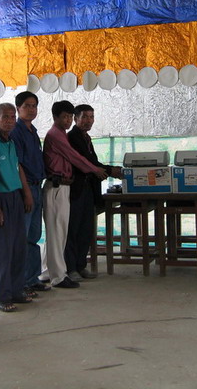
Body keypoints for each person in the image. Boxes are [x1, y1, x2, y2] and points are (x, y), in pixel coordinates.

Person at [40, 100, 107, 289]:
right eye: (65, 117)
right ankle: (59, 276)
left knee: (57, 232)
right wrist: (95, 169)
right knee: (59, 233)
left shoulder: (62, 134)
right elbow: (75, 157)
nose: (68, 120)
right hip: (57, 186)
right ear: (55, 117)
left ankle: (47, 271)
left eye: (70, 117)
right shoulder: (56, 135)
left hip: (64, 186)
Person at [0, 103, 33, 312]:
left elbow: (18, 168)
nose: (10, 121)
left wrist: (26, 193)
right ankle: (1, 296)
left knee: (18, 247)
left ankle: (16, 290)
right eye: (5, 117)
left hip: (15, 197)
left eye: (12, 117)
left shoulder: (11, 141)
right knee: (1, 250)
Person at [65, 104, 122, 281]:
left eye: (91, 117)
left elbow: (93, 162)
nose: (88, 121)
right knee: (73, 229)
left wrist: (107, 170)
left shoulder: (86, 138)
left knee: (86, 229)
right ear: (75, 119)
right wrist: (110, 170)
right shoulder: (72, 137)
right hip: (76, 189)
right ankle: (70, 268)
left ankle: (81, 265)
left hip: (88, 188)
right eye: (84, 117)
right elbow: (87, 162)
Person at [10, 91, 50, 295]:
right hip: (25, 188)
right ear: (18, 108)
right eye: (27, 106)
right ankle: (21, 283)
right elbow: (18, 165)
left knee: (34, 236)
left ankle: (33, 279)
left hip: (37, 186)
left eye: (34, 106)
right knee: (23, 237)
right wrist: (26, 193)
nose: (31, 109)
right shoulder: (15, 132)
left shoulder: (33, 131)